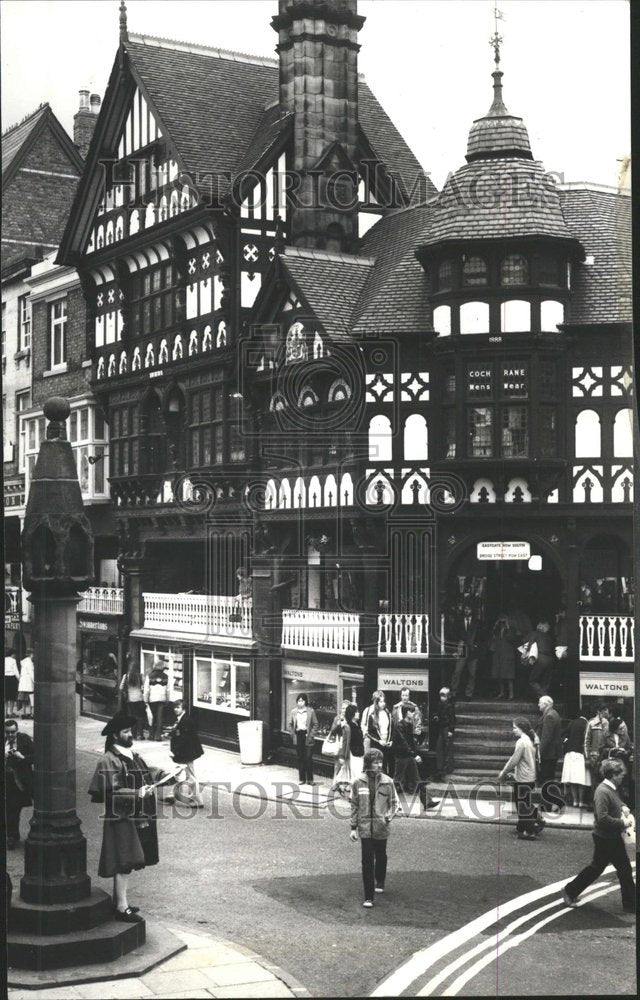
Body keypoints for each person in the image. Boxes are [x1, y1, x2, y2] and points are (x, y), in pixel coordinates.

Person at [88, 711, 182, 922]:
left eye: (130, 730)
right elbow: (110, 791)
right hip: (122, 816)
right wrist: (136, 793)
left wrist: (169, 775)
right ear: (114, 736)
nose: (130, 734)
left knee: (126, 857)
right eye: (125, 731)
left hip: (137, 814)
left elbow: (148, 772)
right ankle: (122, 907)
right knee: (125, 859)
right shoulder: (109, 759)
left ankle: (118, 902)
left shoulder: (132, 756)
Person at [561, 759, 635, 912]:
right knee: (620, 869)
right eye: (621, 775)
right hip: (606, 837)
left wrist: (623, 806)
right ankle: (631, 904)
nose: (623, 777)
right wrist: (623, 823)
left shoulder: (611, 788)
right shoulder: (602, 791)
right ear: (614, 775)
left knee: (603, 868)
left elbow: (615, 801)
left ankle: (570, 891)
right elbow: (602, 818)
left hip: (609, 836)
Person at [349, 748, 399, 908]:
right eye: (376, 762)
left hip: (381, 826)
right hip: (364, 828)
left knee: (381, 856)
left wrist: (388, 817)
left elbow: (395, 803)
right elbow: (355, 805)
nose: (379, 765)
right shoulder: (358, 782)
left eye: (380, 762)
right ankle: (368, 896)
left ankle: (380, 879)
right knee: (367, 861)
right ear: (368, 763)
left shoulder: (388, 781)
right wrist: (353, 827)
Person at [497, 716, 539, 840]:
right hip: (530, 776)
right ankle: (524, 826)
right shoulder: (532, 739)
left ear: (521, 728)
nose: (513, 730)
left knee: (522, 806)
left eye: (515, 728)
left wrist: (504, 772)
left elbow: (514, 760)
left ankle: (530, 831)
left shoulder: (521, 742)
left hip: (523, 777)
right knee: (525, 803)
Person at [392, 705, 439, 811]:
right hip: (401, 757)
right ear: (406, 713)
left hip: (409, 756)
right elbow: (404, 743)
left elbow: (411, 743)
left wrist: (414, 754)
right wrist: (414, 754)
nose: (413, 713)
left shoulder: (409, 724)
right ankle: (388, 801)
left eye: (413, 711)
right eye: (411, 711)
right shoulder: (400, 725)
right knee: (397, 781)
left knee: (417, 779)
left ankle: (427, 802)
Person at [5, 717, 34, 849]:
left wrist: (22, 757)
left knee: (14, 808)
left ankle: (13, 836)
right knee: (10, 809)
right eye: (7, 732)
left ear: (17, 731)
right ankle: (12, 835)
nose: (10, 735)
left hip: (20, 781)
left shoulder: (24, 739)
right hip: (7, 780)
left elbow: (36, 756)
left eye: (13, 732)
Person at [169, 698, 204, 807]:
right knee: (181, 774)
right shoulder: (181, 719)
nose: (176, 709)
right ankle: (172, 795)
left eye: (178, 707)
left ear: (183, 709)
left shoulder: (186, 721)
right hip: (186, 752)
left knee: (190, 777)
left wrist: (176, 751)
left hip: (187, 752)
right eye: (175, 707)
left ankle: (191, 798)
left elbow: (184, 739)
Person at [331, 703, 365, 797]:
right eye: (357, 712)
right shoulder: (348, 726)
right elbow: (345, 742)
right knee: (356, 775)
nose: (359, 713)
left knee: (356, 774)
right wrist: (342, 756)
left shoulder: (356, 724)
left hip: (358, 753)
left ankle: (352, 794)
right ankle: (353, 796)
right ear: (353, 714)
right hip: (353, 753)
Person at [537, 695, 562, 813]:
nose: (538, 705)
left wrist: (539, 754)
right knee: (549, 778)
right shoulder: (552, 713)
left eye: (540, 703)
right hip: (552, 753)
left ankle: (548, 805)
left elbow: (546, 737)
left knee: (546, 779)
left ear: (546, 704)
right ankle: (556, 803)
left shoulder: (549, 716)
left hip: (548, 753)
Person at [451, 607, 482, 700]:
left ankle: (469, 694)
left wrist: (477, 645)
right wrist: (455, 649)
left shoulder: (477, 622)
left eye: (469, 609)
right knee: (457, 671)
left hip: (473, 650)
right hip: (461, 648)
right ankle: (453, 693)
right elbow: (453, 635)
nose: (467, 611)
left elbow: (482, 636)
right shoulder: (458, 621)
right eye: (466, 609)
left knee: (472, 673)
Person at [288, 693, 318, 786]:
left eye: (302, 700)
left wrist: (311, 735)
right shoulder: (294, 712)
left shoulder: (311, 711)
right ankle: (302, 779)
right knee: (300, 757)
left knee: (308, 757)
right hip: (298, 735)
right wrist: (292, 734)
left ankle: (310, 779)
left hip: (307, 735)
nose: (300, 702)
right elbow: (290, 724)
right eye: (299, 700)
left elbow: (315, 724)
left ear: (305, 701)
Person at [561, 712, 589, 809]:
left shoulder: (573, 722)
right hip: (580, 753)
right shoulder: (587, 723)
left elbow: (563, 734)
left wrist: (566, 741)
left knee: (572, 778)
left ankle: (575, 801)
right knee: (580, 779)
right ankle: (581, 801)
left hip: (569, 753)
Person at [584, 704, 610, 798]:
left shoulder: (607, 723)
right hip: (594, 756)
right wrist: (587, 756)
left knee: (604, 778)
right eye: (605, 711)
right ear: (599, 711)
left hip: (604, 755)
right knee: (594, 780)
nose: (607, 713)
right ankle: (594, 801)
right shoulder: (591, 723)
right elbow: (587, 740)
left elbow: (608, 739)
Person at [489, 616, 516, 700]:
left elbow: (511, 638)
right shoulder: (497, 630)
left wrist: (507, 626)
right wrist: (496, 623)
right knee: (499, 674)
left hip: (507, 654)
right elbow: (492, 635)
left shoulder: (511, 629)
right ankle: (502, 693)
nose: (502, 623)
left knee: (509, 676)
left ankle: (511, 694)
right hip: (498, 654)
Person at [119, 658, 147, 740]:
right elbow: (144, 687)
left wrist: (126, 691)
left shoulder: (126, 676)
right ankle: (140, 734)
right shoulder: (141, 676)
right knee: (140, 717)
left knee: (132, 717)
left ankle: (133, 735)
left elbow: (121, 687)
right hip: (139, 698)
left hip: (130, 699)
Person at [526, 621, 554, 699]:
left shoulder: (534, 634)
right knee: (545, 682)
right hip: (550, 659)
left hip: (540, 658)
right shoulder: (549, 637)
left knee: (532, 681)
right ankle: (544, 701)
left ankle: (544, 696)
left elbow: (530, 645)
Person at [433, 687, 456, 780]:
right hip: (441, 728)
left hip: (446, 728)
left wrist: (451, 730)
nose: (442, 698)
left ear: (448, 697)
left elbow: (452, 719)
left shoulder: (450, 706)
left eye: (444, 696)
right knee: (439, 747)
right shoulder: (439, 704)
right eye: (441, 696)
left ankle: (448, 768)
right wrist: (436, 716)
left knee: (447, 748)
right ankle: (440, 768)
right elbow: (437, 713)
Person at [366, 693, 393, 774]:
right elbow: (369, 732)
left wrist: (390, 740)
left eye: (384, 701)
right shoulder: (372, 716)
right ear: (376, 703)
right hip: (377, 745)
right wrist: (379, 741)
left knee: (386, 765)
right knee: (377, 767)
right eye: (380, 702)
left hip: (387, 745)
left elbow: (391, 729)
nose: (383, 703)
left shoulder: (388, 714)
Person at [144, 660, 169, 740]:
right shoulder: (166, 676)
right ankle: (158, 736)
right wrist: (167, 700)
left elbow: (146, 690)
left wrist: (146, 700)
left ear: (154, 666)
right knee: (159, 718)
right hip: (162, 699)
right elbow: (168, 690)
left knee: (151, 717)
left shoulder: (150, 676)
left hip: (152, 699)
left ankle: (151, 735)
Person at [17, 648, 35, 719]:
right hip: (28, 684)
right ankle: (32, 714)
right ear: (31, 654)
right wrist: (35, 682)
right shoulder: (29, 663)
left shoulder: (23, 662)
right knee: (31, 699)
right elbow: (31, 674)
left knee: (24, 700)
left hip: (23, 684)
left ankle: (24, 713)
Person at [4, 649, 21, 717]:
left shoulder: (4, 659)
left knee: (6, 697)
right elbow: (15, 670)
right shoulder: (13, 660)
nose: (15, 656)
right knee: (12, 697)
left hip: (5, 678)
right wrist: (19, 679)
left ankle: (5, 713)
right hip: (12, 679)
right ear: (12, 654)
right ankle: (10, 712)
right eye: (15, 654)